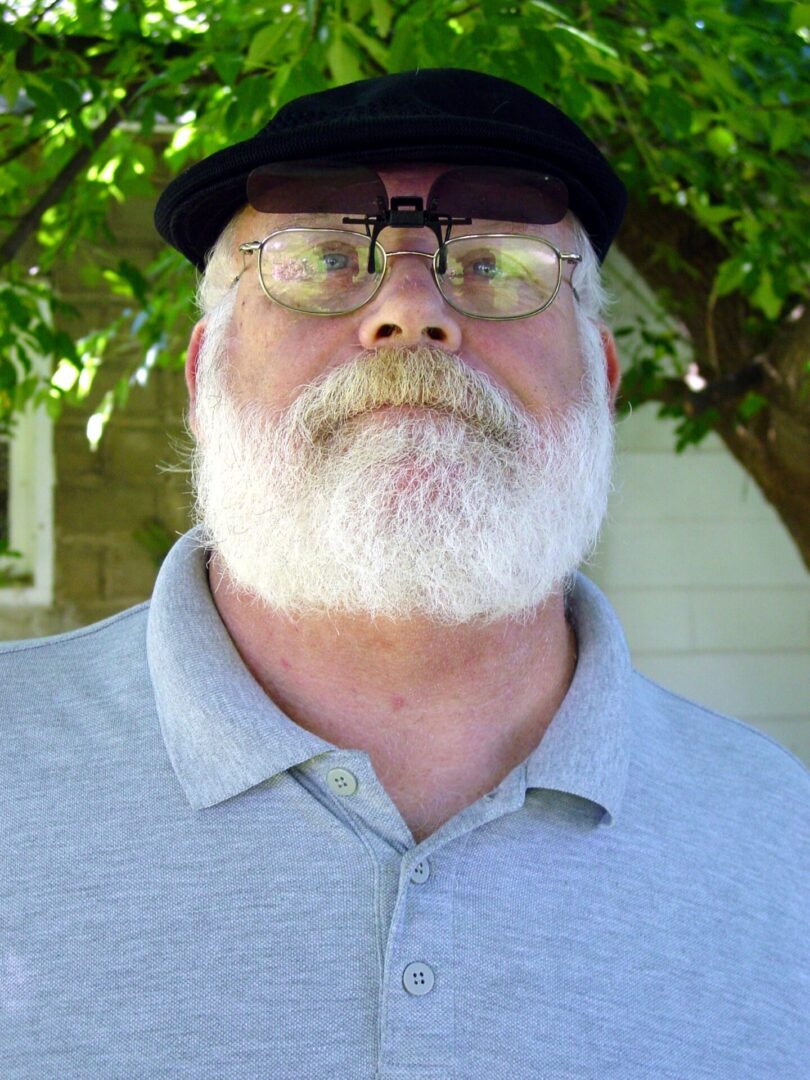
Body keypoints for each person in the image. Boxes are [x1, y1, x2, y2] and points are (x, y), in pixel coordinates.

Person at [2, 69, 807, 1079]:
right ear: (203, 378)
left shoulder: (786, 844)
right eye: (327, 258)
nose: (410, 310)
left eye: (496, 264)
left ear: (603, 384)